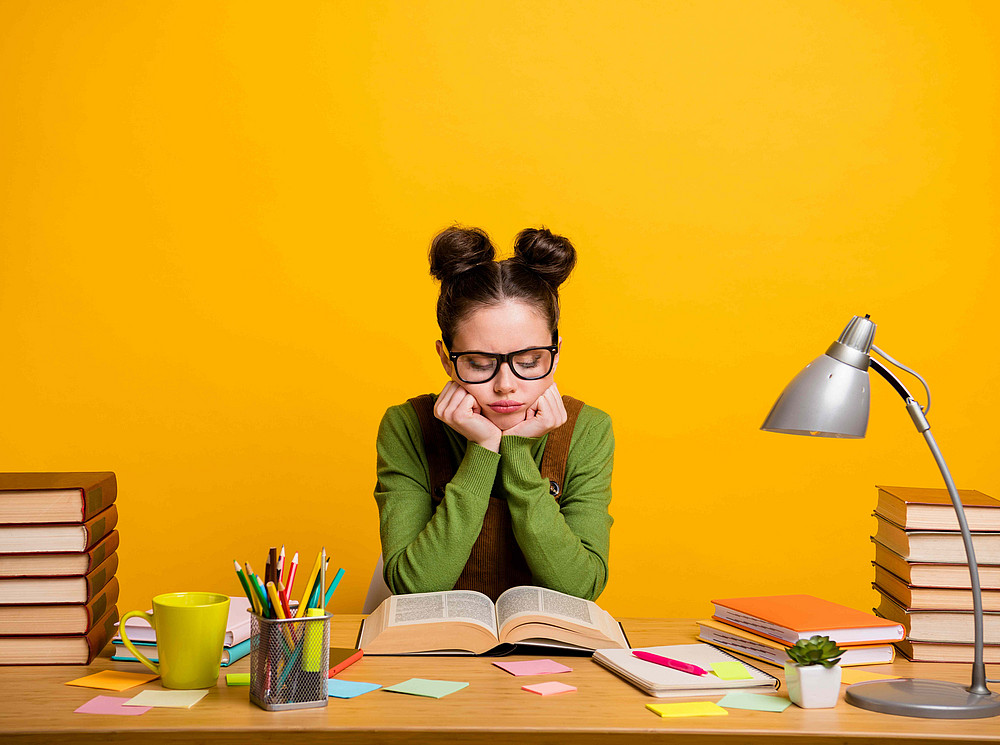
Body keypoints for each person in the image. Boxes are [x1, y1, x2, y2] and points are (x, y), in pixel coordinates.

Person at [374, 225, 614, 602]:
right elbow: (414, 586)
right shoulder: (407, 426)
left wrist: (516, 451)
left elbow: (581, 587)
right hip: (435, 649)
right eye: (480, 363)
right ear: (446, 359)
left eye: (530, 360)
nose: (505, 384)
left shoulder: (588, 428)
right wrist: (483, 450)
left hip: (547, 652)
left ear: (556, 353)